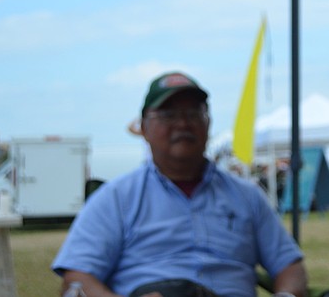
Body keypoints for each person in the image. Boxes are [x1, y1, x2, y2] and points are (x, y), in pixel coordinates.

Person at [52, 71, 308, 297]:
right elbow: (76, 279)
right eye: (168, 114)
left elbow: (290, 266)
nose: (183, 123)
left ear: (208, 123)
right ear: (144, 128)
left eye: (193, 113)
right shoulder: (115, 198)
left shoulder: (247, 196)